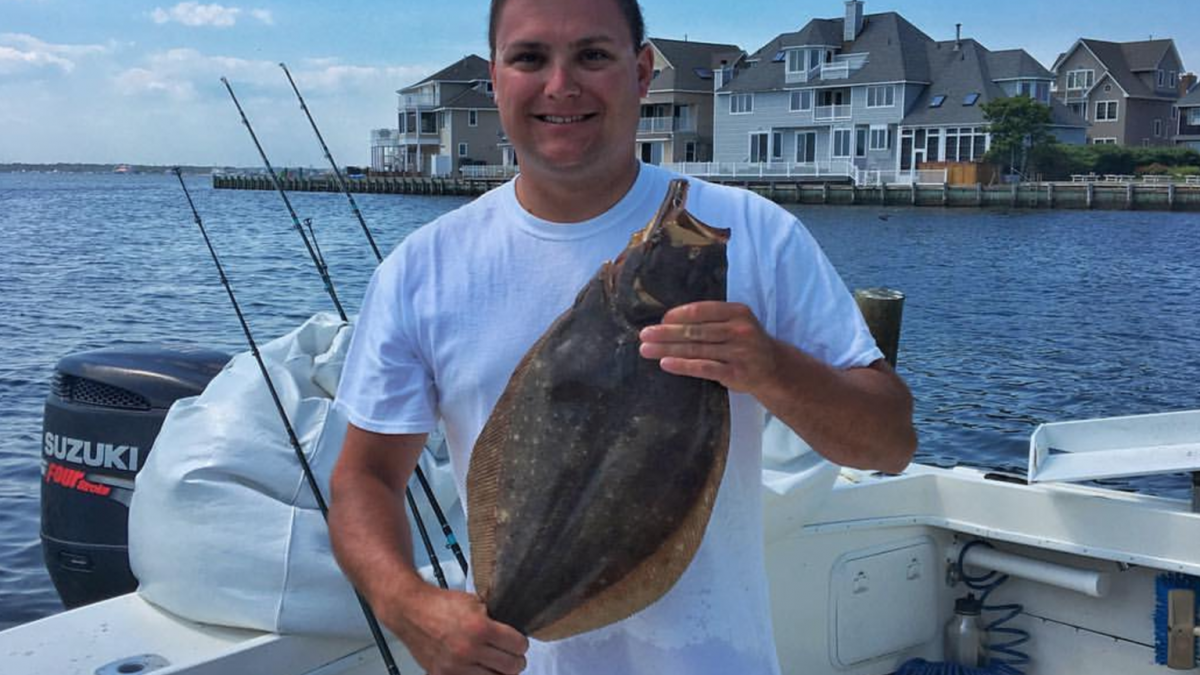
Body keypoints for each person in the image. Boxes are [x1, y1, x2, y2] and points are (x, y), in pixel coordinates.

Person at [329, 0, 917, 672]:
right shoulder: (421, 270)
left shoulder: (761, 234)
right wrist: (406, 603)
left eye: (593, 55)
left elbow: (890, 444)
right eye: (529, 58)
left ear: (641, 73)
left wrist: (771, 368)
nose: (561, 85)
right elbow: (364, 478)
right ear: (495, 79)